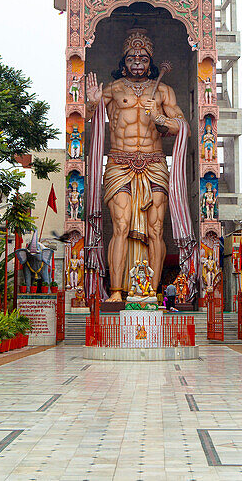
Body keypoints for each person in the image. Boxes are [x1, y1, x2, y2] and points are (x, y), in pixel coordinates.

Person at [86, 28, 186, 302]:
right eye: (132, 56)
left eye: (143, 56)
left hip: (154, 163)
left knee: (156, 230)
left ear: (150, 60)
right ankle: (116, 291)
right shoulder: (112, 89)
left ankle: (152, 293)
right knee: (120, 224)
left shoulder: (164, 90)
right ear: (124, 60)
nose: (138, 61)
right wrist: (92, 105)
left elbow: (181, 126)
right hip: (120, 162)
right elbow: (82, 118)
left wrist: (159, 117)